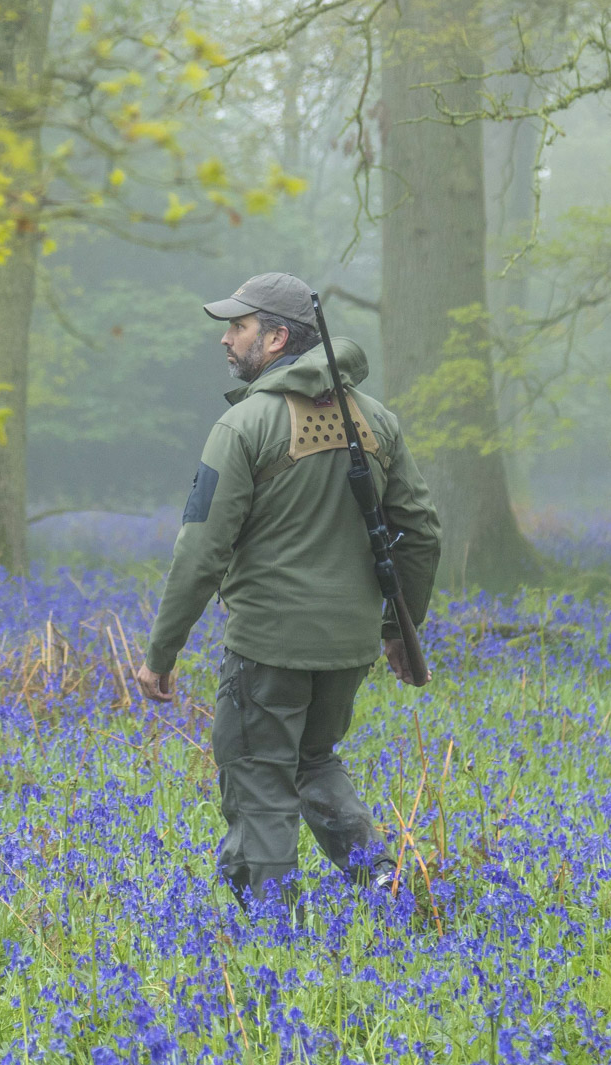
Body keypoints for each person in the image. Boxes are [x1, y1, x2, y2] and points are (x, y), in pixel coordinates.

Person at [135, 272, 441, 914]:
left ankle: (274, 930)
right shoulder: (376, 421)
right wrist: (394, 631)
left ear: (276, 338)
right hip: (348, 648)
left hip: (267, 647)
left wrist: (161, 653)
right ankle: (382, 882)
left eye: (238, 327)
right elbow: (423, 531)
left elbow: (201, 551)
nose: (226, 339)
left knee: (258, 780)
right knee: (315, 761)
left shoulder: (245, 425)